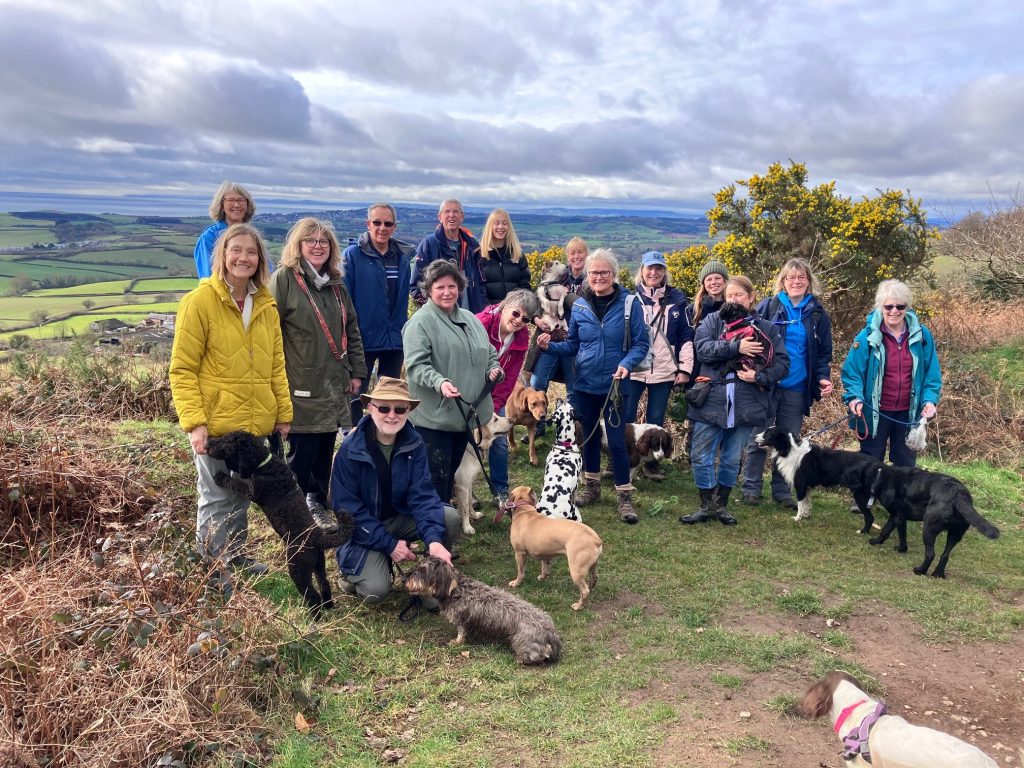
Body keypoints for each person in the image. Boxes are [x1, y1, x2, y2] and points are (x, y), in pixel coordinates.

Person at [170, 223, 291, 575]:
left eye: (251, 252)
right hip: (217, 424)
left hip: (254, 423)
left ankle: (234, 558)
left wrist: (282, 415)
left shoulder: (265, 304)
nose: (243, 257)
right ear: (221, 254)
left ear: (260, 259)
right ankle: (212, 570)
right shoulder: (200, 302)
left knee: (240, 494)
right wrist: (195, 424)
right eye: (235, 250)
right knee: (216, 497)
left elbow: (276, 366)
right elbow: (182, 369)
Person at [537, 248, 650, 523]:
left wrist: (627, 363)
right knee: (586, 438)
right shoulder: (579, 305)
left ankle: (624, 497)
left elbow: (640, 344)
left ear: (614, 274)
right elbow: (574, 344)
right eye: (594, 272)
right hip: (585, 383)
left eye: (604, 272)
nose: (598, 277)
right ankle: (592, 488)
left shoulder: (630, 304)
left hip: (616, 385)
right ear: (587, 275)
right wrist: (550, 347)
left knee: (616, 443)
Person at [269, 217, 367, 532]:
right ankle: (292, 512)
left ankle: (318, 503)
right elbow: (269, 330)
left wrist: (357, 371)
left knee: (326, 443)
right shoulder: (284, 280)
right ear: (298, 246)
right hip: (298, 378)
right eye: (310, 240)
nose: (317, 246)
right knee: (302, 450)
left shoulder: (336, 283)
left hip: (333, 380)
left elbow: (351, 328)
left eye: (323, 242)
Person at [331, 377, 459, 603]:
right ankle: (352, 575)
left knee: (448, 517)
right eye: (384, 407)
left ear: (408, 410)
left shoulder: (415, 442)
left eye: (400, 408)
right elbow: (348, 511)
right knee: (375, 591)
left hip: (398, 517)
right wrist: (389, 545)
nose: (392, 415)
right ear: (370, 408)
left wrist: (434, 540)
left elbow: (423, 495)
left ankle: (432, 579)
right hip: (362, 527)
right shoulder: (349, 450)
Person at [679, 276, 789, 526]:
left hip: (746, 403)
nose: (733, 299)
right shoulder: (711, 321)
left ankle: (721, 507)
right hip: (710, 399)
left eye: (739, 295)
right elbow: (703, 349)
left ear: (751, 298)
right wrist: (736, 347)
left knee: (731, 458)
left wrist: (759, 375)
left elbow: (783, 364)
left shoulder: (767, 329)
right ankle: (705, 505)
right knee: (701, 455)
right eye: (729, 295)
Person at [404, 260, 503, 503]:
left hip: (466, 417)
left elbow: (489, 351)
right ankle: (434, 529)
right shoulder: (420, 323)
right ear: (429, 290)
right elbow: (416, 366)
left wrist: (494, 369)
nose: (447, 292)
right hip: (435, 420)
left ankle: (444, 522)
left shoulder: (470, 318)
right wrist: (439, 383)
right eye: (440, 287)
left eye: (452, 286)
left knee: (451, 474)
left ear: (460, 288)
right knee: (435, 478)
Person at [741, 258, 834, 509]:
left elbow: (824, 353)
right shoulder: (768, 307)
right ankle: (751, 488)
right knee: (758, 438)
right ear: (782, 281)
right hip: (764, 385)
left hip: (797, 387)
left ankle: (782, 492)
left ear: (809, 281)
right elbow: (748, 341)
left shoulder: (817, 314)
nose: (796, 281)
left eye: (801, 277)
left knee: (788, 442)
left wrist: (822, 376)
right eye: (791, 277)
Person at [841, 279, 941, 467]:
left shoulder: (922, 336)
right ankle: (869, 496)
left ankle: (900, 497)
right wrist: (854, 398)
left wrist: (929, 400)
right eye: (889, 306)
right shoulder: (867, 337)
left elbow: (932, 373)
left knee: (905, 463)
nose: (894, 311)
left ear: (907, 307)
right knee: (870, 461)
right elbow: (852, 373)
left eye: (900, 306)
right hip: (874, 410)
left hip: (909, 412)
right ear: (881, 307)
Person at [621, 251, 694, 479]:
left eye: (658, 268)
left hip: (664, 370)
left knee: (656, 420)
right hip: (634, 369)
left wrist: (684, 369)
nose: (654, 273)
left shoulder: (678, 302)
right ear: (641, 271)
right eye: (649, 268)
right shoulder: (630, 299)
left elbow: (686, 337)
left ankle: (651, 464)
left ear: (664, 272)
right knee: (626, 420)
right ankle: (620, 461)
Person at [343, 202, 415, 421]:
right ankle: (354, 439)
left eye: (388, 223)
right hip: (362, 339)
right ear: (368, 224)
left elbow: (402, 298)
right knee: (356, 396)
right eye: (377, 222)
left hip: (393, 340)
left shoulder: (402, 258)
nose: (382, 228)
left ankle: (384, 440)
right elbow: (345, 301)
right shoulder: (352, 256)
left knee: (389, 398)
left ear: (394, 227)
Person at [475, 289, 542, 505]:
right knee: (463, 441)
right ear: (505, 305)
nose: (519, 321)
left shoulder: (522, 337)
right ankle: (463, 492)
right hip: (466, 390)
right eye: (515, 313)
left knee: (500, 442)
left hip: (495, 395)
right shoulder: (480, 324)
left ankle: (501, 491)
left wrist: (494, 408)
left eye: (525, 318)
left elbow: (511, 376)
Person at [525, 236, 590, 434]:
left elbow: (585, 307)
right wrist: (536, 319)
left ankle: (568, 429)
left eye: (580, 252)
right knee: (538, 382)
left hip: (574, 343)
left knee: (573, 388)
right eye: (572, 253)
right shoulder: (558, 274)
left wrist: (566, 294)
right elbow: (537, 300)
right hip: (549, 340)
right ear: (567, 256)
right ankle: (539, 425)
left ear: (586, 255)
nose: (576, 256)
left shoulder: (592, 278)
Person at [410, 199, 487, 312]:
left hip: (471, 316)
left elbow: (481, 284)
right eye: (447, 211)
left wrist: (482, 309)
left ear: (462, 217)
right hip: (440, 318)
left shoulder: (473, 246)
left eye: (456, 212)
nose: (451, 215)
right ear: (440, 217)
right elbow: (416, 285)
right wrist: (432, 311)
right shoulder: (429, 244)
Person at [194, 182, 255, 279]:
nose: (236, 205)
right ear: (221, 205)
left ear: (247, 205)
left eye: (241, 200)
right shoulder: (209, 237)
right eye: (230, 200)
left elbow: (266, 271)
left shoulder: (252, 236)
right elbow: (208, 277)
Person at [479, 208, 531, 305]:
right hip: (489, 314)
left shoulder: (518, 255)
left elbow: (525, 288)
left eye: (504, 223)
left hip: (514, 313)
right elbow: (478, 290)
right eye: (496, 223)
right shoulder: (480, 256)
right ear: (490, 227)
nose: (500, 227)